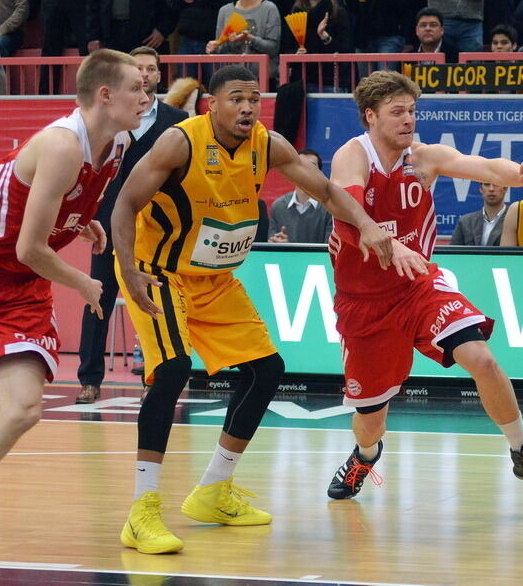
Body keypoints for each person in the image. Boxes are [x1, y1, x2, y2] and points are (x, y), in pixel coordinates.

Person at [111, 64, 395, 554]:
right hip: (157, 270)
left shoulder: (268, 143)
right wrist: (129, 272)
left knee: (266, 369)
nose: (247, 108)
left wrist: (367, 224)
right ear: (212, 104)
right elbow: (123, 205)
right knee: (174, 367)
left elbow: (325, 190)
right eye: (236, 99)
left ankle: (213, 490)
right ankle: (142, 510)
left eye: (254, 99)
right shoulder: (179, 143)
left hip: (214, 278)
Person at [0, 50, 148, 570]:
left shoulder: (117, 143)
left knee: (23, 408)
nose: (147, 95)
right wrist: (87, 285)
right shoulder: (60, 145)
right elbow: (30, 246)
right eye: (137, 87)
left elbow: (65, 209)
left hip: (20, 288)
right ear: (105, 95)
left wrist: (83, 222)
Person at [325, 70, 523, 500]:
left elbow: (484, 167)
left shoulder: (424, 157)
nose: (408, 120)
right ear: (370, 116)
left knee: (481, 358)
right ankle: (365, 457)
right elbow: (346, 209)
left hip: (419, 287)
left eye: (412, 111)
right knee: (371, 417)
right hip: (364, 303)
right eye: (397, 112)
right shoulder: (353, 156)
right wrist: (387, 244)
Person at [75, 46, 188, 404]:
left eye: (150, 69)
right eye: (137, 69)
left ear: (158, 75)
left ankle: (155, 378)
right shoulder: (109, 118)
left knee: (157, 304)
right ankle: (89, 379)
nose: (144, 75)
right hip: (110, 224)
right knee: (98, 298)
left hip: (160, 230)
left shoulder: (179, 118)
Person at [280, 0, 353, 91]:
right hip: (301, 81)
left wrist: (325, 37)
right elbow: (285, 48)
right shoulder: (295, 14)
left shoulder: (338, 13)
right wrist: (295, 54)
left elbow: (346, 49)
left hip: (330, 81)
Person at [207, 0, 281, 79]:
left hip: (262, 77)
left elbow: (273, 48)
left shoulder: (269, 8)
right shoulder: (224, 11)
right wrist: (214, 48)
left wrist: (249, 38)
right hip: (230, 77)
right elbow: (220, 47)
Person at [268, 148, 334, 243]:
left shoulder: (330, 208)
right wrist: (279, 244)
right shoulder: (278, 206)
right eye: (300, 165)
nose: (305, 171)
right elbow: (270, 247)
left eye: (311, 166)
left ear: (320, 173)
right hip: (286, 258)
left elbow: (329, 250)